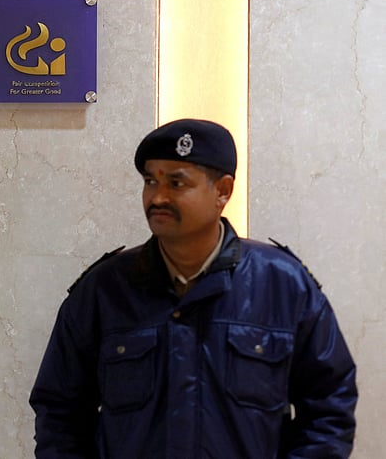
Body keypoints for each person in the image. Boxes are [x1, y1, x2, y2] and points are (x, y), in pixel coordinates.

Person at [29, 119, 357, 458]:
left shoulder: (283, 284)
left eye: (176, 183)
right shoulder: (105, 289)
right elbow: (60, 413)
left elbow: (329, 406)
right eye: (150, 181)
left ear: (223, 191)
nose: (158, 197)